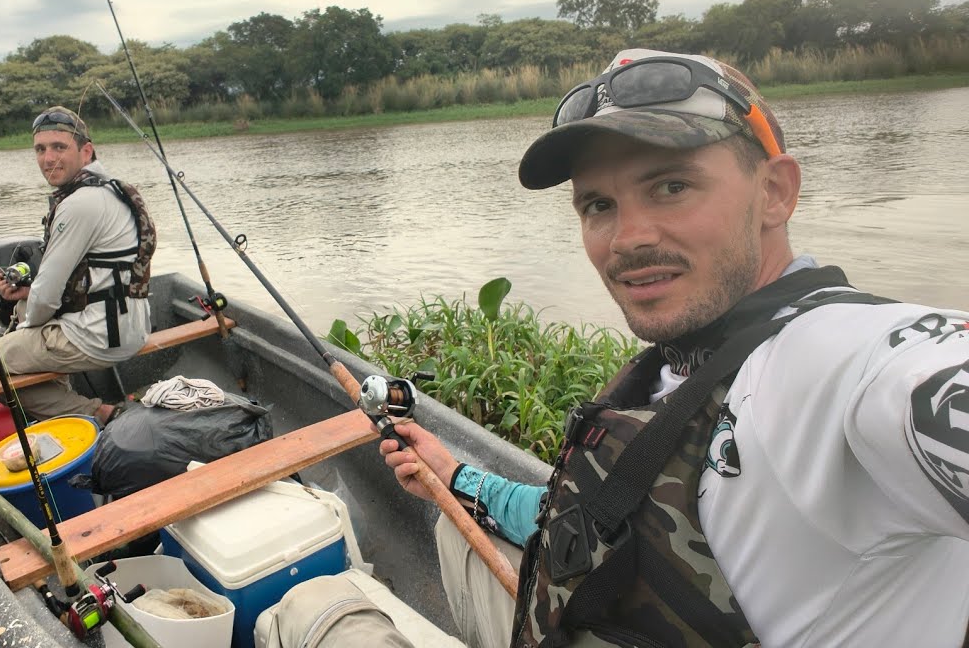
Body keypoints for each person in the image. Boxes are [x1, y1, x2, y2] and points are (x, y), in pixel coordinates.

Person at [381, 49, 969, 647]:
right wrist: (455, 475)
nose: (628, 239)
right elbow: (593, 517)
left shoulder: (845, 362)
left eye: (671, 185)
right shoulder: (680, 363)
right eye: (599, 205)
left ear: (775, 193)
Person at [0, 106, 155, 423]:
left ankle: (99, 413)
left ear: (86, 150)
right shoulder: (114, 189)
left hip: (99, 340)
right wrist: (28, 296)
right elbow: (86, 276)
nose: (48, 158)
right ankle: (62, 398)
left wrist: (26, 326)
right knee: (27, 308)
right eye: (40, 149)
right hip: (135, 328)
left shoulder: (78, 204)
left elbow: (48, 295)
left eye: (59, 147)